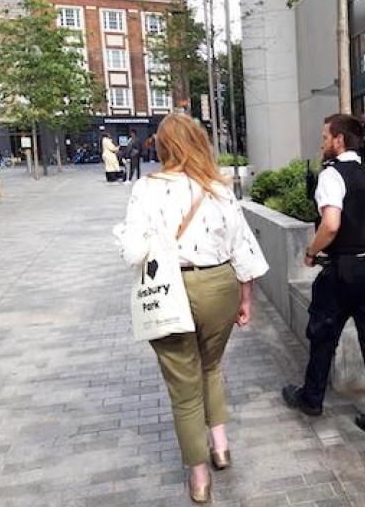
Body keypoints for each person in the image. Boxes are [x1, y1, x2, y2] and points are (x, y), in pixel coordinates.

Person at [113, 113, 268, 503]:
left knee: (184, 388)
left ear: (163, 147)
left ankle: (200, 480)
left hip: (170, 290)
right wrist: (246, 299)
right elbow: (242, 246)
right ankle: (221, 447)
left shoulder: (145, 188)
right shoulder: (218, 187)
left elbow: (132, 253)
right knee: (211, 366)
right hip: (219, 286)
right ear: (199, 142)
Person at [282, 113, 365, 442]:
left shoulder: (331, 175)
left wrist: (310, 252)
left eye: (325, 137)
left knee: (323, 334)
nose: (322, 143)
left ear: (339, 140)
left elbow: (330, 224)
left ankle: (312, 399)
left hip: (342, 271)